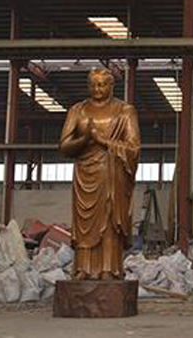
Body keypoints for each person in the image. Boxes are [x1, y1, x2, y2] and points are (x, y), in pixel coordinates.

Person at [60, 68, 140, 280]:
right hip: (84, 173)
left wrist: (100, 140)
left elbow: (133, 148)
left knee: (110, 220)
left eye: (102, 84)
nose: (98, 89)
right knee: (84, 224)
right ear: (88, 86)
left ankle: (109, 268)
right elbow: (64, 147)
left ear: (112, 86)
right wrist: (84, 139)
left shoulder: (125, 111)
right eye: (93, 85)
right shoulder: (77, 110)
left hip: (112, 173)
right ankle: (83, 268)